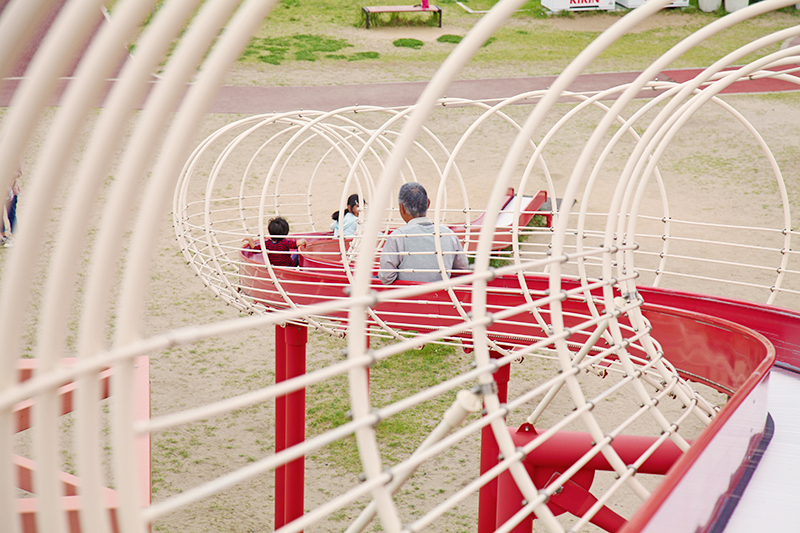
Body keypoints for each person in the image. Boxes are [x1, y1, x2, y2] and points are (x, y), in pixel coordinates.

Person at [379, 182, 468, 284]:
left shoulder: (397, 237)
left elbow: (386, 277)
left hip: (407, 298)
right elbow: (462, 269)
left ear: (402, 208)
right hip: (442, 297)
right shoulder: (449, 234)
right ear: (428, 203)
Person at [1, 164, 21, 248]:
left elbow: (18, 173)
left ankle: (14, 237)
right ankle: (3, 236)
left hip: (11, 191)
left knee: (11, 214)